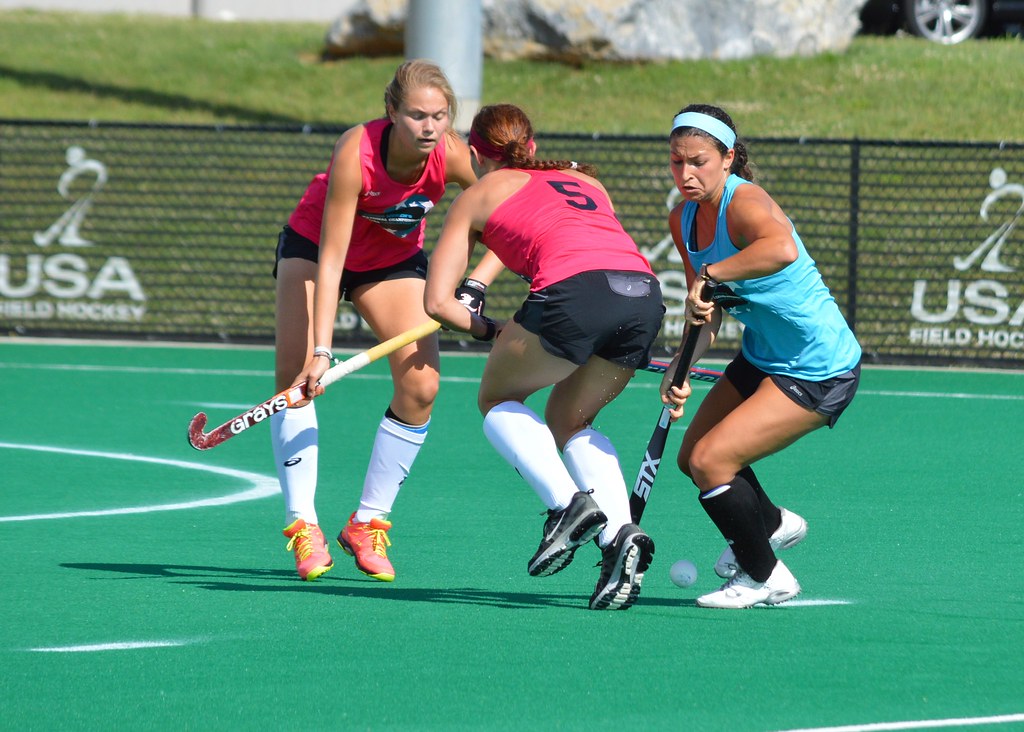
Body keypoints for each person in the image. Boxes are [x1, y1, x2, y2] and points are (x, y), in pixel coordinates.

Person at [424, 103, 665, 610]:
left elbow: (437, 304)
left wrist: (491, 330)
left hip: (574, 298)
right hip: (643, 296)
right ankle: (619, 535)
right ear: (531, 147)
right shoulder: (588, 182)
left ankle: (566, 505)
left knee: (498, 398)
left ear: (474, 153)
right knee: (570, 419)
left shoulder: (474, 196)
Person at [274, 59, 503, 583]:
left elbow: (507, 227)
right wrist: (321, 353)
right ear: (391, 113)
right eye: (418, 116)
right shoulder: (357, 153)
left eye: (441, 116)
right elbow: (332, 261)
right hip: (316, 250)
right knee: (297, 382)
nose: (430, 127)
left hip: (390, 262)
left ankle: (367, 520)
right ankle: (302, 523)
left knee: (422, 386)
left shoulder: (453, 155)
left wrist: (477, 284)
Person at [661, 103, 862, 609]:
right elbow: (706, 312)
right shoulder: (682, 219)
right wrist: (680, 367)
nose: (686, 173)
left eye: (699, 161)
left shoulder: (745, 203)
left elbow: (781, 249)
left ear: (727, 159)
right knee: (693, 457)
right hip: (763, 356)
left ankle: (766, 577)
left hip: (819, 366)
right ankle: (773, 525)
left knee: (712, 461)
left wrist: (713, 275)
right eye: (676, 161)